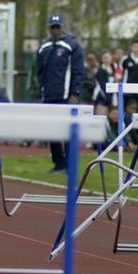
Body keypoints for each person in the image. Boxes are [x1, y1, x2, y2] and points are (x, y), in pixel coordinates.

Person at [36, 13, 84, 173]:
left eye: (58, 27)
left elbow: (78, 71)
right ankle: (59, 164)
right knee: (52, 131)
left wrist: (74, 93)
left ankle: (70, 165)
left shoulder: (72, 46)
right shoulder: (44, 47)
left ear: (62, 27)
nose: (55, 30)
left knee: (68, 131)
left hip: (66, 96)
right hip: (49, 95)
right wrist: (41, 92)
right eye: (52, 27)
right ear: (49, 28)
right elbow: (40, 72)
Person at [121, 38, 138, 112]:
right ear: (131, 47)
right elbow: (120, 74)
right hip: (129, 91)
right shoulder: (125, 60)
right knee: (128, 113)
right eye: (135, 46)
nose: (137, 49)